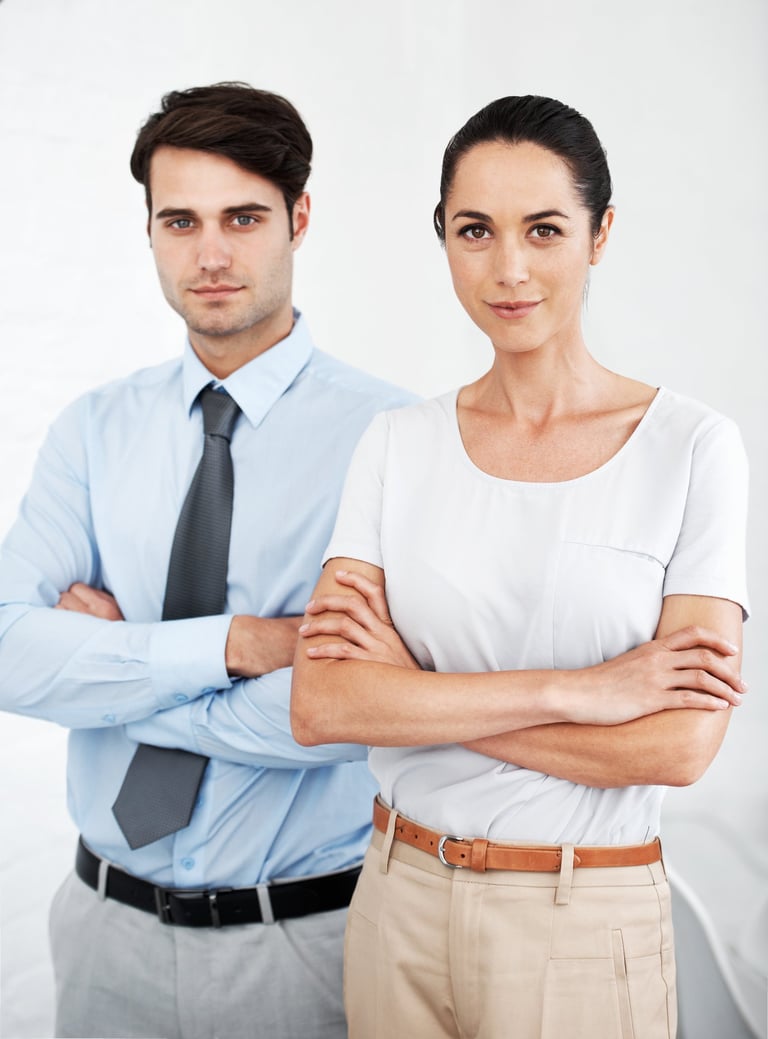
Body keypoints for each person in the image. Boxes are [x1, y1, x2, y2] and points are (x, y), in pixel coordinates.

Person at [290, 95, 749, 1039]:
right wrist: (581, 692)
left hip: (583, 915)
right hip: (396, 900)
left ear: (600, 233)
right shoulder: (396, 443)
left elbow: (677, 747)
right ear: (444, 241)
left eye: (544, 229)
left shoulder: (693, 448)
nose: (508, 268)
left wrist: (415, 695)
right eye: (475, 231)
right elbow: (325, 704)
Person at [0, 82, 413, 1039]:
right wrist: (241, 644)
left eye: (244, 217)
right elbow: (10, 653)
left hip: (305, 945)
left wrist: (120, 664)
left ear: (299, 219)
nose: (212, 254)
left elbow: (364, 712)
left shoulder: (392, 438)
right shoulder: (93, 430)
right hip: (103, 935)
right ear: (148, 229)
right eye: (180, 220)